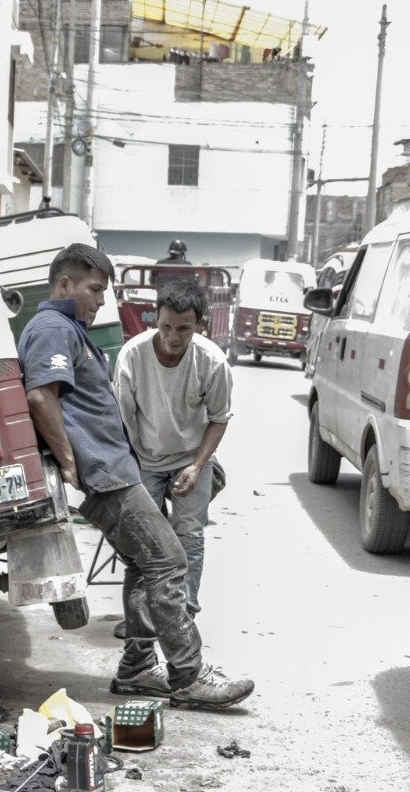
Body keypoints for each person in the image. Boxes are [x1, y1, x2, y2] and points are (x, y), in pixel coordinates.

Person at [18, 244, 253, 709]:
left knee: (147, 567)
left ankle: (137, 669)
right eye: (94, 290)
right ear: (64, 285)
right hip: (108, 477)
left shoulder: (69, 330)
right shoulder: (51, 328)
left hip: (116, 470)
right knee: (169, 562)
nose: (101, 301)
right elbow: (41, 397)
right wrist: (69, 462)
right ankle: (188, 676)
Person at [114, 277, 232, 624]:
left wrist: (197, 465)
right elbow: (122, 420)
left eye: (183, 328)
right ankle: (141, 618)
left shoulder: (212, 362)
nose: (172, 336)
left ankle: (184, 613)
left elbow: (220, 418)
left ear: (199, 325)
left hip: (191, 459)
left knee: (189, 536)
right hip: (145, 459)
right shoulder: (132, 357)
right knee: (143, 543)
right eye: (165, 326)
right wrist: (130, 468)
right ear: (155, 318)